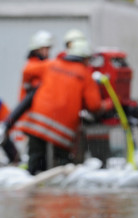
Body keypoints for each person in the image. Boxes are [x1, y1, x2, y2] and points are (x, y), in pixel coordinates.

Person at [15, 39, 110, 175]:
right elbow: (94, 105)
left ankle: (33, 188)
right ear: (85, 58)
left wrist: (30, 88)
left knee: (35, 161)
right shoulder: (85, 75)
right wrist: (108, 104)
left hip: (37, 124)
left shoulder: (51, 64)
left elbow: (27, 71)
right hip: (62, 131)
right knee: (60, 166)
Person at [20, 30, 53, 101]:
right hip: (29, 108)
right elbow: (28, 70)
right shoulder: (32, 64)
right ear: (37, 49)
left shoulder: (42, 63)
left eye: (48, 49)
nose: (48, 52)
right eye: (45, 48)